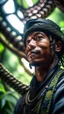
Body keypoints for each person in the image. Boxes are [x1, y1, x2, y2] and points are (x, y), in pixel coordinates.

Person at [13, 18, 64, 114]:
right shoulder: (22, 102)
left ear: (57, 46)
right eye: (27, 42)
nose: (30, 45)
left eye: (38, 38)